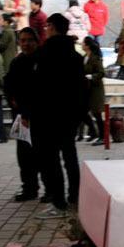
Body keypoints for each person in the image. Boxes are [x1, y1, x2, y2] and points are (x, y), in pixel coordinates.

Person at [32, 13, 85, 219]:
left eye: (47, 27)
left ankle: (58, 201)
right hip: (70, 115)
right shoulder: (75, 56)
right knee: (70, 156)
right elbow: (81, 88)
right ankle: (75, 196)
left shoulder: (45, 54)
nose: (46, 30)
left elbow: (39, 87)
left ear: (52, 27)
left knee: (51, 159)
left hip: (49, 115)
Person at [4, 27, 42, 202]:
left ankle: (50, 190)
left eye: (29, 40)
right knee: (24, 156)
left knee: (43, 155)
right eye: (23, 40)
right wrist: (14, 102)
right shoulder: (17, 62)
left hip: (41, 117)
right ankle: (29, 188)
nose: (26, 44)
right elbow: (9, 86)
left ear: (36, 41)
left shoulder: (43, 61)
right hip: (21, 117)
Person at [78, 36, 104, 144]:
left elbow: (101, 72)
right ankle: (93, 132)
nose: (82, 45)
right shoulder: (84, 57)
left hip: (95, 89)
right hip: (86, 89)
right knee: (82, 112)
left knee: (97, 113)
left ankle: (102, 137)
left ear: (87, 45)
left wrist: (92, 77)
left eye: (83, 43)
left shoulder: (95, 57)